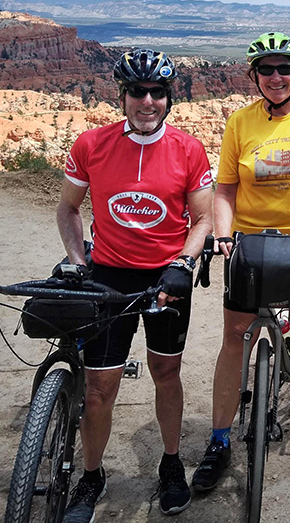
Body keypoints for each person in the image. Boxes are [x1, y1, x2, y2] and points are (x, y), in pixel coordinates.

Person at [57, 48, 213, 521]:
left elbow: (203, 218)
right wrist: (80, 262)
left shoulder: (189, 149)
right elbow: (68, 209)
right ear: (121, 96)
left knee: (166, 375)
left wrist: (183, 264)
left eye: (157, 93)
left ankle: (170, 465)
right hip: (108, 276)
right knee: (101, 389)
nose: (147, 102)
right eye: (137, 92)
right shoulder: (91, 145)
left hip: (167, 277)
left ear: (169, 98)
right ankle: (91, 475)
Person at [191, 32, 290, 492]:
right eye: (266, 69)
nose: (276, 77)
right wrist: (222, 236)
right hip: (250, 243)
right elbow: (225, 189)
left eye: (284, 68)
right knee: (234, 333)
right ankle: (219, 439)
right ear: (254, 75)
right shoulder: (240, 123)